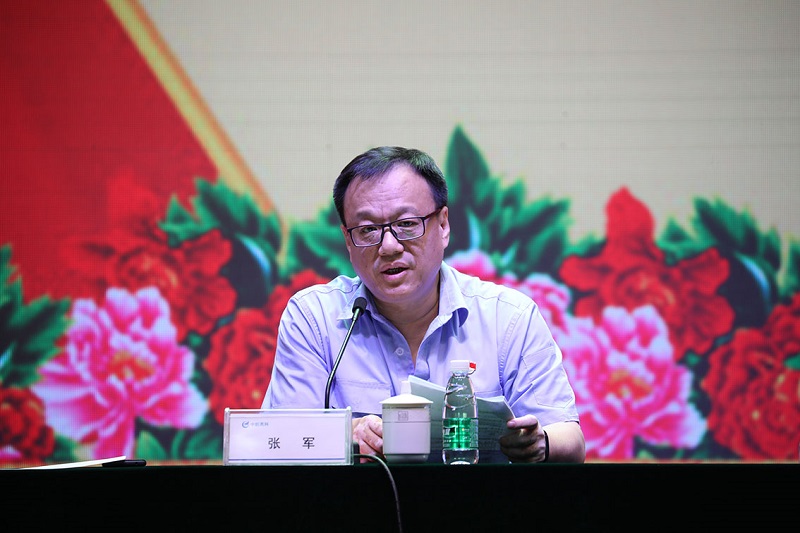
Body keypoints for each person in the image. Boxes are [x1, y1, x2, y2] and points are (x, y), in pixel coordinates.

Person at [262, 146, 585, 463]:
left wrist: (540, 443)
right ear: (348, 240)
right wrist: (345, 434)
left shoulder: (508, 316)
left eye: (406, 224)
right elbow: (278, 442)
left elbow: (569, 438)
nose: (389, 246)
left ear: (443, 225)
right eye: (368, 230)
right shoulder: (315, 318)